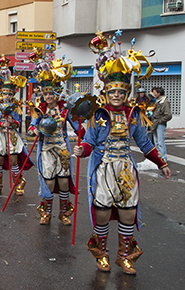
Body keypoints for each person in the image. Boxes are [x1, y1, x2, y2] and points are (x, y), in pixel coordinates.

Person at [73, 32, 170, 275]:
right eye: (112, 91)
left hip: (126, 168)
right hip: (105, 167)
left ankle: (124, 256)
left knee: (128, 212)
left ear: (126, 93)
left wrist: (161, 163)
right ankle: (102, 254)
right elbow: (89, 142)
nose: (116, 95)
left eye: (121, 91)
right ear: (106, 92)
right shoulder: (97, 114)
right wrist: (80, 150)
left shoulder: (134, 114)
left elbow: (145, 144)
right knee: (103, 212)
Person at [28, 49, 81, 225]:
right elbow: (32, 126)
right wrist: (34, 130)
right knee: (49, 182)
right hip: (46, 149)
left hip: (63, 149)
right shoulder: (39, 109)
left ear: (57, 93)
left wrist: (84, 129)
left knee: (64, 182)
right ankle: (46, 212)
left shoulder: (65, 109)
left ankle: (64, 213)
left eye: (51, 93)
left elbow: (77, 126)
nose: (49, 96)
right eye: (46, 93)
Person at [0, 58, 32, 196]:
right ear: (1, 93)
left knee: (13, 160)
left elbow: (18, 123)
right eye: (5, 93)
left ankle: (18, 184)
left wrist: (12, 122)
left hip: (11, 135)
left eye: (10, 94)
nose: (7, 96)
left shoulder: (16, 106)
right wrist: (0, 124)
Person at [150, 86, 171, 163]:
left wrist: (159, 121)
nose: (154, 94)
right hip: (155, 123)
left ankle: (163, 159)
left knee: (160, 142)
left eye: (155, 93)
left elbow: (168, 115)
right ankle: (158, 158)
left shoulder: (164, 102)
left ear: (159, 93)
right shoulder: (158, 101)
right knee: (156, 142)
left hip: (160, 124)